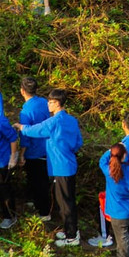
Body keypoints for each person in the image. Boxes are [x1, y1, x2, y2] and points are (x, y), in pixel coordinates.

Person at [16, 88, 85, 246]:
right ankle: (70, 230)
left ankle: (72, 236)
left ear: (58, 104)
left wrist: (21, 127)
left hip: (61, 167)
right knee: (66, 200)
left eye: (51, 102)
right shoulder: (71, 120)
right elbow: (78, 142)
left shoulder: (54, 121)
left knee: (65, 202)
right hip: (68, 163)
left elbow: (36, 129)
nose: (48, 104)